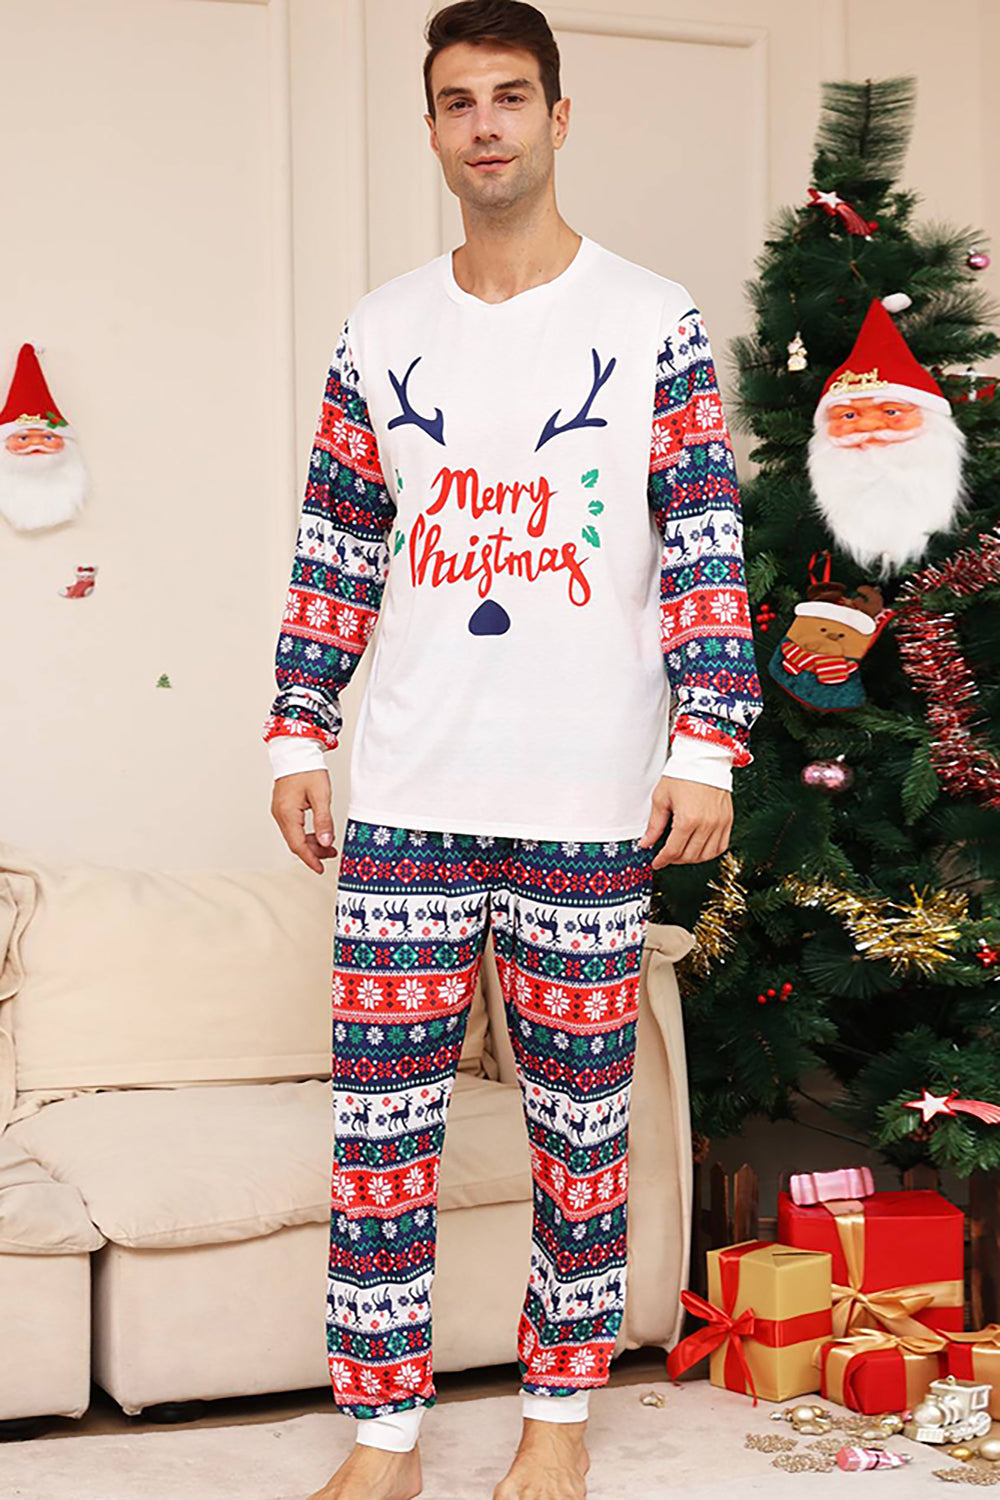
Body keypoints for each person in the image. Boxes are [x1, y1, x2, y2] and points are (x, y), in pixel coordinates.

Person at [262, 4, 763, 1496]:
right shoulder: (381, 328)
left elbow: (704, 540)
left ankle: (558, 1420)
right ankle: (384, 1439)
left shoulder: (652, 316)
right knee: (381, 1141)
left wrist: (710, 742)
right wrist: (296, 727)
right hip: (410, 792)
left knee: (581, 1135)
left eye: (511, 96)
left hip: (590, 798)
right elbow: (337, 542)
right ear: (431, 128)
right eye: (458, 100)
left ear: (558, 115)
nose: (486, 124)